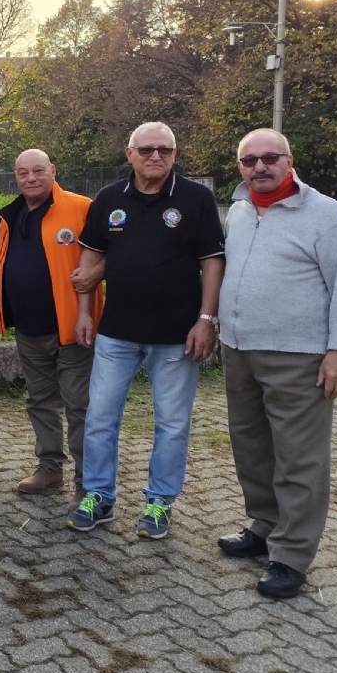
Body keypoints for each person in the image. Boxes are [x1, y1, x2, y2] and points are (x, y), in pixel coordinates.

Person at [217, 128, 337, 598]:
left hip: (299, 356)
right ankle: (265, 525)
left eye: (270, 158)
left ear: (289, 159)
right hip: (239, 349)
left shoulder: (324, 213)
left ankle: (291, 554)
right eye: (249, 160)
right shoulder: (240, 210)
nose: (259, 167)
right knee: (252, 446)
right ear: (240, 166)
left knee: (299, 458)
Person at [67, 121, 225, 540]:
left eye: (165, 150)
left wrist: (206, 320)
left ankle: (159, 502)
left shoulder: (196, 199)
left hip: (177, 336)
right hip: (116, 332)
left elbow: (213, 262)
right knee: (100, 417)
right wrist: (85, 312)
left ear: (174, 154)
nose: (156, 156)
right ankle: (98, 496)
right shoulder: (108, 199)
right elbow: (89, 259)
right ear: (129, 152)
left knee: (172, 423)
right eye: (147, 149)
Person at [0, 149, 102, 505]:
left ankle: (89, 483)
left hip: (72, 328)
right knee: (40, 401)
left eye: (38, 171)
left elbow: (109, 253)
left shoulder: (81, 207)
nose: (30, 178)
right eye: (23, 172)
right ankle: (50, 468)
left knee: (79, 407)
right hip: (28, 329)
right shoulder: (10, 216)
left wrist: (96, 273)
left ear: (53, 170)